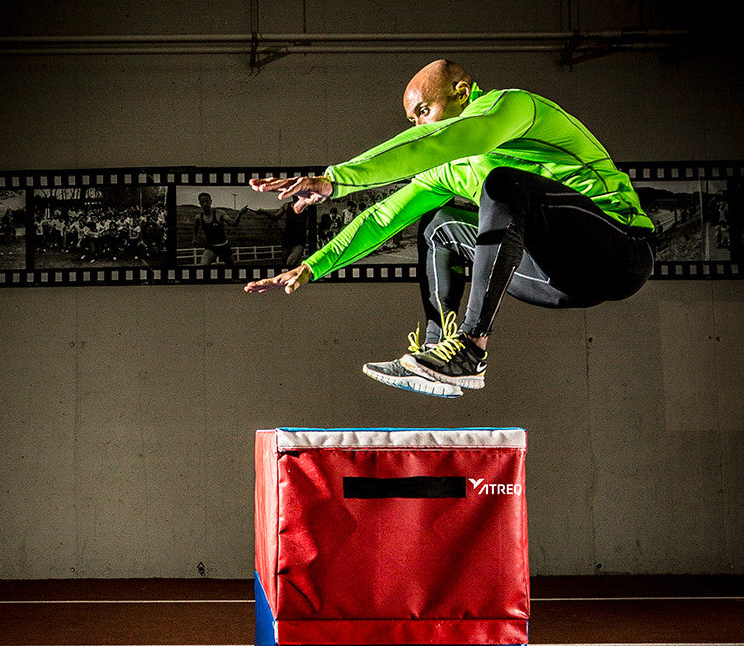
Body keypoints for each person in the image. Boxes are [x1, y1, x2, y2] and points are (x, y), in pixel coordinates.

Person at [243, 59, 656, 397]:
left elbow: (449, 140)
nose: (419, 127)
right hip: (558, 281)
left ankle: (471, 346)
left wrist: (336, 179)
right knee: (438, 226)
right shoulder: (446, 173)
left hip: (619, 250)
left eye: (423, 111)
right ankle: (438, 349)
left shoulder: (511, 107)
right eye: (411, 120)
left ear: (461, 90)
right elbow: (382, 218)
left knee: (503, 184)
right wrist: (311, 267)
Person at [194, 192, 248, 266]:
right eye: (202, 202)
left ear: (211, 201)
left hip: (224, 246)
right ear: (200, 203)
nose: (205, 204)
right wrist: (194, 238)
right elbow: (195, 228)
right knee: (203, 265)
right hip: (211, 247)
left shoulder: (219, 213)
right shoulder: (198, 217)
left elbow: (233, 223)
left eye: (206, 201)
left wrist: (240, 213)